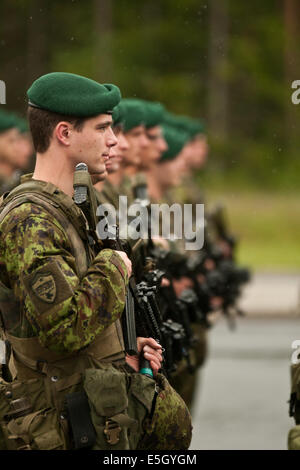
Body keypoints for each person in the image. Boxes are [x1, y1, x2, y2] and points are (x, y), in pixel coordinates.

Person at [0, 72, 192, 450]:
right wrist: (115, 266)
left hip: (82, 415)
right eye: (103, 128)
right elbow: (64, 329)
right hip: (56, 423)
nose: (113, 141)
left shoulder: (68, 210)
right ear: (64, 133)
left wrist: (120, 348)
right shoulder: (30, 219)